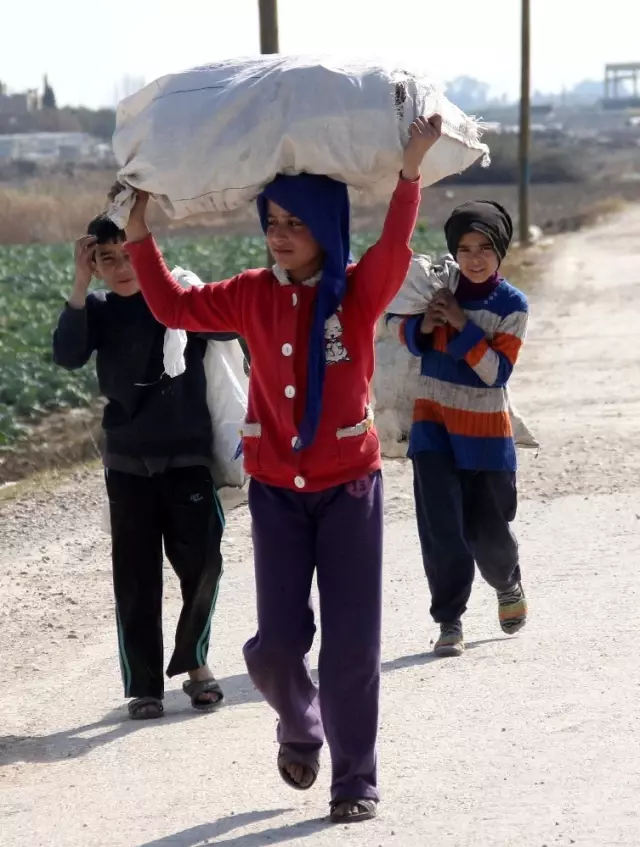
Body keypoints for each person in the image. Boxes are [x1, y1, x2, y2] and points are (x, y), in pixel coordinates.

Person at [121, 115, 442, 822]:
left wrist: (410, 172)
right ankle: (300, 724)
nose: (281, 233)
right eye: (274, 220)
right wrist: (140, 235)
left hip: (350, 488)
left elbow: (393, 246)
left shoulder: (357, 293)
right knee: (274, 647)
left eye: (297, 221)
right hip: (276, 494)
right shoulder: (248, 293)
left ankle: (354, 779)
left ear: (326, 227)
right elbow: (174, 305)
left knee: (353, 645)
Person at [52, 214, 234, 720]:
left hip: (188, 458)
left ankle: (196, 666)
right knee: (134, 577)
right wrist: (79, 283)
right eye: (105, 258)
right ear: (95, 264)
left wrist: (178, 289)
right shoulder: (99, 310)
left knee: (203, 566)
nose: (120, 265)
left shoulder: (177, 301)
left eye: (128, 252)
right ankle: (145, 686)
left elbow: (227, 326)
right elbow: (66, 354)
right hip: (128, 462)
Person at [386, 201, 529, 657]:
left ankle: (507, 582)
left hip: (486, 439)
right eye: (464, 248)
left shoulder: (512, 306)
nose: (474, 258)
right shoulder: (436, 290)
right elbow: (394, 325)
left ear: (500, 250)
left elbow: (496, 372)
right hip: (433, 431)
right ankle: (449, 621)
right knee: (441, 530)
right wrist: (424, 325)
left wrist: (462, 324)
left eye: (485, 247)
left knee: (490, 535)